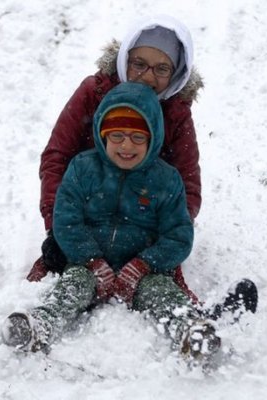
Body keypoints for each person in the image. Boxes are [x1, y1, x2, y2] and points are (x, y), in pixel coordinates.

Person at [1, 82, 220, 365]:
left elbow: (178, 235)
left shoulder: (166, 180)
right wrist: (91, 260)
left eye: (138, 138)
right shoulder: (83, 168)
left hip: (143, 271)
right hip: (88, 265)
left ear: (153, 138)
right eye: (117, 135)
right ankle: (38, 326)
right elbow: (66, 220)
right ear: (102, 134)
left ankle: (190, 331)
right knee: (72, 285)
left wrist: (144, 264)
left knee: (163, 293)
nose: (126, 145)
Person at [27, 15, 203, 303]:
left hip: (144, 220)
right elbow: (56, 157)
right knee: (58, 280)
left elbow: (188, 182)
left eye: (161, 68)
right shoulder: (94, 93)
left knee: (162, 290)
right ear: (125, 59)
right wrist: (57, 225)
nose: (148, 76)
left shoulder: (176, 111)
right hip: (89, 214)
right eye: (139, 64)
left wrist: (164, 239)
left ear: (176, 73)